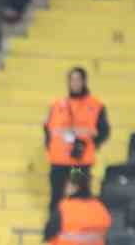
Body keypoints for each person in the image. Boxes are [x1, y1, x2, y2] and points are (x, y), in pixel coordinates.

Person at [43, 66, 108, 209]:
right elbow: (47, 130)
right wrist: (51, 148)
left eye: (78, 79)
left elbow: (104, 131)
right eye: (72, 79)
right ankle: (56, 229)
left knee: (79, 197)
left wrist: (89, 145)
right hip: (59, 162)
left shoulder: (95, 105)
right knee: (56, 198)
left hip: (78, 163)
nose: (74, 83)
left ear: (84, 81)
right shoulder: (56, 105)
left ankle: (79, 228)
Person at [42, 168, 111, 245]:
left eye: (68, 185)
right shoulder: (100, 208)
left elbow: (49, 232)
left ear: (75, 187)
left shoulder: (64, 207)